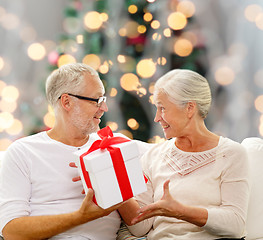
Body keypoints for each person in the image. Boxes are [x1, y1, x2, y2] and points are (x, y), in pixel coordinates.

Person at [0, 63, 152, 240]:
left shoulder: (111, 145)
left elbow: (137, 223)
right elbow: (12, 231)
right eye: (97, 100)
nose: (104, 108)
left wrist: (110, 180)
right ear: (67, 102)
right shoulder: (23, 151)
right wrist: (81, 216)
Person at [128, 69, 249, 239]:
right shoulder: (152, 156)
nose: (157, 118)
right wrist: (113, 190)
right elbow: (139, 227)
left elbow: (235, 224)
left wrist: (181, 212)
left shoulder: (231, 154)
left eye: (162, 108)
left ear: (190, 108)